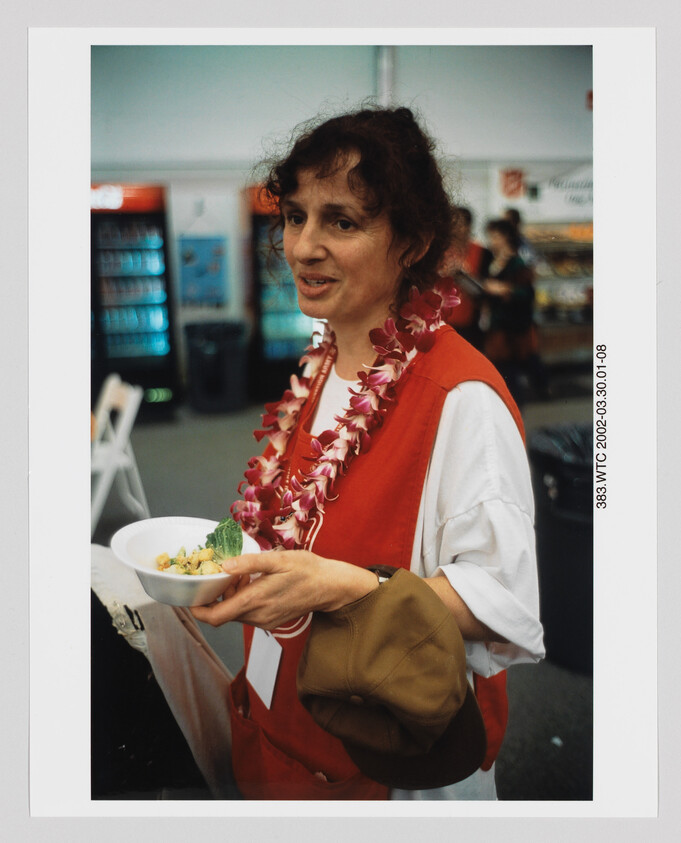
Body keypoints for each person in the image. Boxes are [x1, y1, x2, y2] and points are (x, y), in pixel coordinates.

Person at [92, 106, 544, 801]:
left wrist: (345, 586)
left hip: (384, 766)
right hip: (277, 727)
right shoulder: (321, 361)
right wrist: (209, 556)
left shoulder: (460, 400)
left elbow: (504, 600)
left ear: (411, 242)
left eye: (342, 221)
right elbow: (283, 511)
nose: (301, 247)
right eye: (294, 216)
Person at [479, 218, 539, 408]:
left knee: (510, 371)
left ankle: (514, 407)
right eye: (490, 236)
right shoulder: (492, 260)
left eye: (495, 236)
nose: (492, 241)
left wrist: (505, 289)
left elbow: (528, 293)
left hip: (511, 328)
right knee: (505, 370)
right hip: (496, 325)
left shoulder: (517, 263)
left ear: (506, 238)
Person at [437, 206, 491, 349]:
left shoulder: (482, 252)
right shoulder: (440, 251)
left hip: (471, 323)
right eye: (451, 223)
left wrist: (463, 276)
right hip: (443, 321)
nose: (454, 228)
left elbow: (485, 290)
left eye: (458, 224)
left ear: (468, 226)